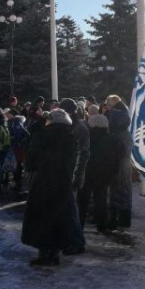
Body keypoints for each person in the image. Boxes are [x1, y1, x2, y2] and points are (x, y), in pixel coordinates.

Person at [21, 109, 77, 266]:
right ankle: (55, 252)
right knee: (59, 216)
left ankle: (45, 252)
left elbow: (31, 159)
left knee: (42, 217)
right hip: (63, 182)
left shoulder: (43, 135)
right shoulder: (71, 137)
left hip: (44, 182)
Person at [79, 114, 118, 233]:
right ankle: (102, 225)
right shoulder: (112, 139)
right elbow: (116, 160)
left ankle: (78, 225)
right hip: (104, 175)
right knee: (101, 201)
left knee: (82, 202)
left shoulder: (87, 137)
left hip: (87, 173)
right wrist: (112, 175)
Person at [59, 98, 89, 255]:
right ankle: (71, 240)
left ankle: (77, 243)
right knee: (68, 210)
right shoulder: (74, 125)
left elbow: (82, 155)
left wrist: (76, 177)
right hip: (68, 174)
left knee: (71, 211)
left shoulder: (78, 127)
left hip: (72, 175)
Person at [104, 95, 133, 229]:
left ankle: (112, 220)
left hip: (116, 162)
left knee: (115, 189)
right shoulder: (125, 124)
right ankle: (124, 219)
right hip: (125, 161)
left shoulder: (114, 118)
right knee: (125, 189)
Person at [5, 108, 29, 198]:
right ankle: (16, 182)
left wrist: (13, 142)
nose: (6, 115)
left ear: (12, 114)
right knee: (16, 165)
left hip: (17, 148)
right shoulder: (12, 121)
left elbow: (18, 134)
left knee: (17, 165)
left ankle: (18, 184)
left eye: (8, 114)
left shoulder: (16, 122)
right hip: (16, 147)